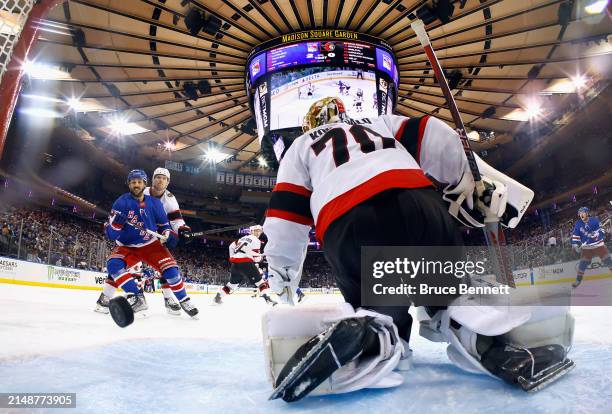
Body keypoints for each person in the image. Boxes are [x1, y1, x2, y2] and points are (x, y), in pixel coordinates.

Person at [260, 97, 573, 401]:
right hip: (420, 202)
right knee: (448, 294)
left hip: (350, 217)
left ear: (310, 124)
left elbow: (285, 216)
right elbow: (435, 134)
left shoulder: (300, 148)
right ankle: (483, 337)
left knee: (380, 303)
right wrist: (465, 179)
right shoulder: (380, 122)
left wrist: (283, 275)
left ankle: (379, 334)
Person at [97, 169, 198, 318]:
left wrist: (175, 232)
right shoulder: (122, 201)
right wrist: (115, 226)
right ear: (150, 180)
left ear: (167, 182)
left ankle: (178, 299)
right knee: (114, 266)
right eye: (157, 177)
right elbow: (111, 233)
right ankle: (125, 297)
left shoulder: (166, 200)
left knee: (170, 270)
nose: (160, 181)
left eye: (163, 178)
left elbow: (170, 222)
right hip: (128, 245)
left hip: (151, 242)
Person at [213, 225, 276, 305]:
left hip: (235, 264)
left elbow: (231, 246)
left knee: (232, 284)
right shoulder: (256, 240)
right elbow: (256, 258)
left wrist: (232, 257)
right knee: (261, 283)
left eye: (259, 231)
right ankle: (268, 300)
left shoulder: (241, 239)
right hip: (246, 263)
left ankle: (217, 298)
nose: (258, 232)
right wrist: (261, 259)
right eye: (256, 230)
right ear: (252, 231)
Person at [571, 206, 612, 288]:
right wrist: (575, 246)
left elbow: (602, 231)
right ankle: (578, 280)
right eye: (580, 214)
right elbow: (575, 236)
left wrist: (597, 234)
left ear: (587, 213)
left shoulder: (594, 220)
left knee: (607, 260)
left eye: (583, 213)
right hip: (587, 247)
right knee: (582, 264)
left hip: (598, 244)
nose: (581, 215)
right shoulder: (578, 224)